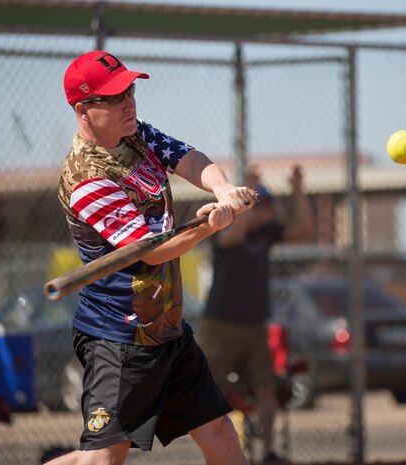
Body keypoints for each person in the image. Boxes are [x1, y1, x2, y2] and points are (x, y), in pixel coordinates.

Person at [47, 50, 256, 465]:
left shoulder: (134, 133)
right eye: (113, 96)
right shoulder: (87, 180)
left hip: (166, 327)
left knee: (220, 434)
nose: (129, 101)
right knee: (104, 459)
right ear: (83, 110)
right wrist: (209, 227)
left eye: (130, 89)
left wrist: (223, 189)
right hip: (119, 337)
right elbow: (152, 250)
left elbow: (186, 157)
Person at [198, 165, 314, 464]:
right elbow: (232, 238)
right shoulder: (224, 226)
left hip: (255, 324)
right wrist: (248, 196)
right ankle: (217, 454)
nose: (265, 214)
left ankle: (267, 452)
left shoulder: (267, 233)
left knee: (266, 389)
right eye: (260, 207)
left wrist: (298, 189)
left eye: (267, 208)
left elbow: (304, 230)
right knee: (215, 390)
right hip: (221, 324)